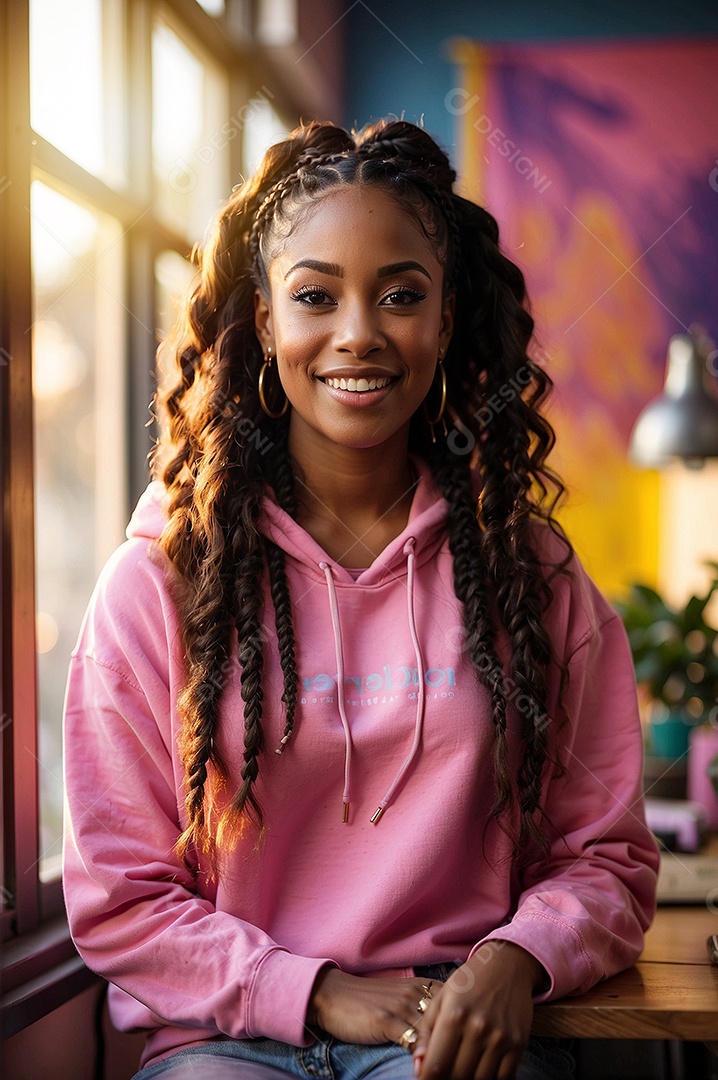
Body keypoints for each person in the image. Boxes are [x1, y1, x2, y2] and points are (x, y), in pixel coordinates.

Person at [63, 118, 659, 1080]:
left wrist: (515, 959)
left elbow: (607, 860)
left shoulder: (529, 574)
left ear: (446, 320)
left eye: (400, 295)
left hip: (444, 1025)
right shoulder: (158, 582)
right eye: (315, 295)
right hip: (227, 1037)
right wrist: (315, 991)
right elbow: (121, 898)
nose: (359, 334)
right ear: (266, 323)